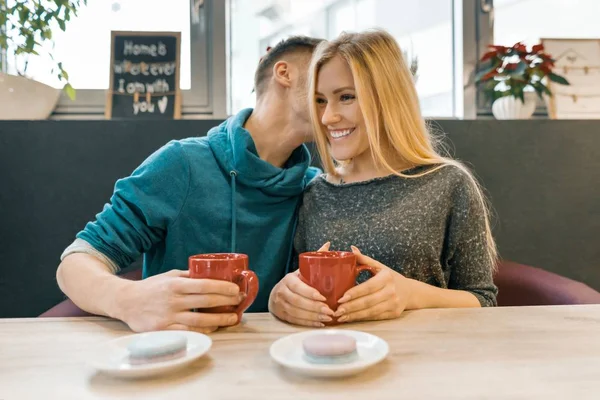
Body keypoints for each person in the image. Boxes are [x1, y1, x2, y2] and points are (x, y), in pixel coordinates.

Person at [56, 35, 323, 333]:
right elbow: (77, 261)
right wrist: (127, 299)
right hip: (178, 356)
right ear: (284, 73)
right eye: (323, 73)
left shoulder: (315, 188)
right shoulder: (182, 163)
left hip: (274, 361)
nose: (338, 94)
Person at [268, 29, 498, 328]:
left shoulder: (449, 184)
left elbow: (483, 300)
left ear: (389, 98)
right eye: (321, 101)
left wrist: (410, 294)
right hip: (331, 361)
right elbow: (296, 286)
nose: (327, 117)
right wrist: (280, 298)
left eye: (346, 97)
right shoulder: (314, 193)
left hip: (423, 361)